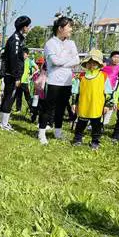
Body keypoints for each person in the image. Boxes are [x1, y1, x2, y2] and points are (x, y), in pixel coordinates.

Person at [38, 15, 79, 145]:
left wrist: (62, 62)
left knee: (61, 108)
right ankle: (41, 133)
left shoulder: (71, 43)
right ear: (60, 28)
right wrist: (68, 60)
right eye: (69, 27)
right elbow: (54, 61)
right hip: (53, 81)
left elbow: (77, 60)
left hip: (66, 81)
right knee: (48, 108)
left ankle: (58, 132)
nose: (71, 30)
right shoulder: (50, 43)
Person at [71, 49, 112, 149]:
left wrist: (107, 105)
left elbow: (108, 92)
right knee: (80, 124)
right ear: (86, 64)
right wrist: (74, 103)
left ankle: (95, 141)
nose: (91, 65)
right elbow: (76, 91)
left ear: (99, 64)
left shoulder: (104, 76)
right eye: (89, 62)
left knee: (96, 126)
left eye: (94, 63)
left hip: (97, 106)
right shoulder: (81, 76)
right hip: (84, 105)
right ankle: (77, 139)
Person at [0, 15, 32, 131]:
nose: (29, 28)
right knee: (10, 97)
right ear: (23, 27)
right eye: (28, 26)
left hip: (12, 74)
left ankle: (2, 122)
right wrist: (17, 76)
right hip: (11, 75)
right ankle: (4, 123)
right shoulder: (16, 40)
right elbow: (14, 59)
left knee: (8, 97)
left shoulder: (18, 38)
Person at [14, 47, 36, 114]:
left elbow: (37, 69)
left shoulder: (30, 61)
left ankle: (32, 110)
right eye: (22, 54)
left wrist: (31, 76)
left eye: (24, 54)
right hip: (19, 81)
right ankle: (18, 109)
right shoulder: (19, 61)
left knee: (28, 97)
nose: (23, 55)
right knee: (18, 96)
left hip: (25, 82)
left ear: (27, 54)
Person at [30, 57, 46, 123]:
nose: (39, 66)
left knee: (41, 108)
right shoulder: (36, 74)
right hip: (36, 94)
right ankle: (33, 118)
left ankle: (41, 121)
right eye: (38, 64)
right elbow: (34, 82)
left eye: (40, 64)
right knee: (34, 107)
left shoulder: (45, 74)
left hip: (43, 95)